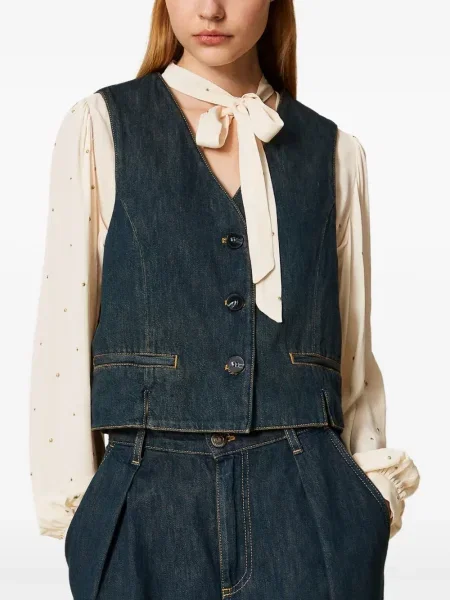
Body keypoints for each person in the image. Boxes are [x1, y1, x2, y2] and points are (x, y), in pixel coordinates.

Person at [29, 1, 420, 598]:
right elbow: (65, 320)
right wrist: (79, 509)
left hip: (309, 495)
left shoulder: (334, 150)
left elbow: (353, 347)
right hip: (143, 496)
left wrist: (372, 492)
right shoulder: (100, 126)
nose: (211, 9)